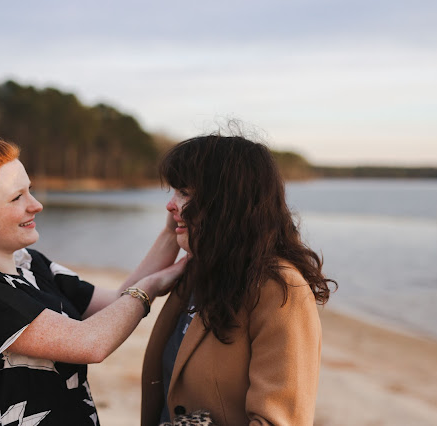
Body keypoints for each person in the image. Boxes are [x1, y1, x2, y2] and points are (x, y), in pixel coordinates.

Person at [0, 93, 183, 426]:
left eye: (30, 190)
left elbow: (116, 304)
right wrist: (153, 286)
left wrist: (173, 231)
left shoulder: (31, 264)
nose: (36, 205)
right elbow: (92, 343)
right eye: (17, 198)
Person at [141, 135, 336, 425]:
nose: (170, 206)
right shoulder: (198, 272)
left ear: (224, 202)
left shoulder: (280, 290)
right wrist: (173, 238)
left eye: (184, 192)